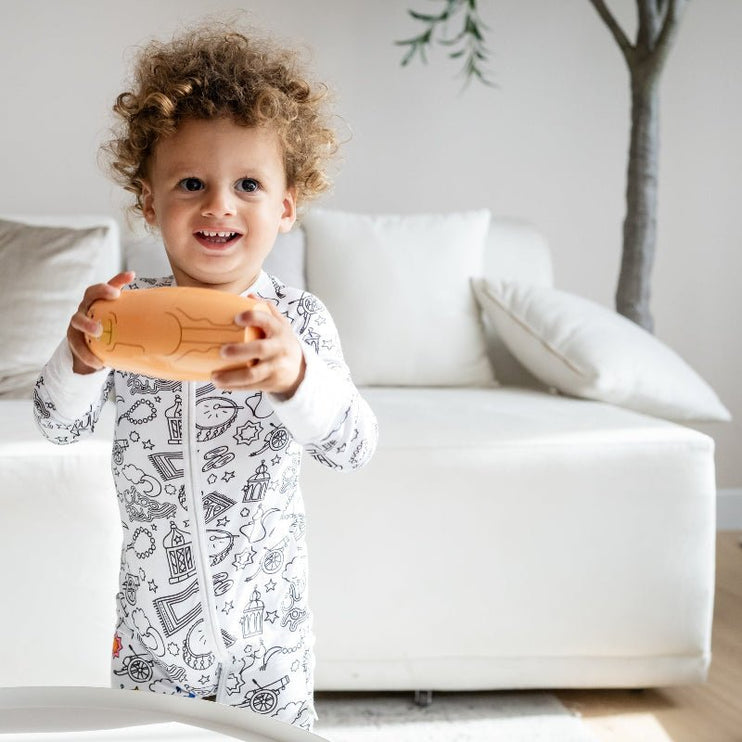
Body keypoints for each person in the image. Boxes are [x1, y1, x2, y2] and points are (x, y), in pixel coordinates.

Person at [33, 23, 378, 732]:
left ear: (286, 206)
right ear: (149, 203)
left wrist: (296, 378)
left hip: (267, 636)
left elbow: (353, 447)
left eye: (248, 184)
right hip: (153, 634)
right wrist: (80, 358)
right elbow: (56, 423)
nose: (219, 204)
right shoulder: (125, 316)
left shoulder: (295, 324)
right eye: (191, 183)